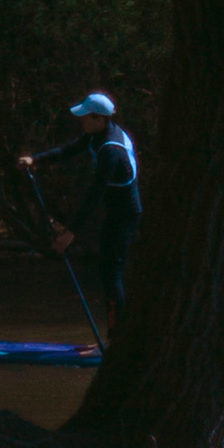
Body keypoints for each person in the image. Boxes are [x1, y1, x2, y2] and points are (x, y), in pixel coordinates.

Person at [20, 93, 142, 318]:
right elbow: (68, 150)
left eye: (85, 117)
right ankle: (115, 336)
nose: (81, 121)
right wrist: (36, 160)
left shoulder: (111, 151)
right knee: (106, 271)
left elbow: (94, 196)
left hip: (125, 215)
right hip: (114, 210)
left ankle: (115, 340)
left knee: (111, 274)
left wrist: (69, 233)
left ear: (98, 118)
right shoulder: (99, 133)